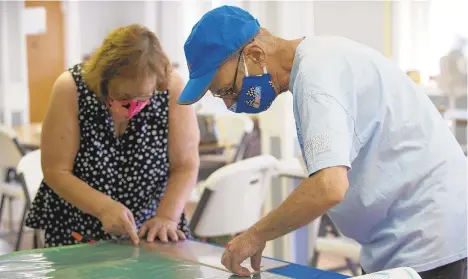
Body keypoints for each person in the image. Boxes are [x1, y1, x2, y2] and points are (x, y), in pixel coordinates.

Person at [177, 5, 467, 279]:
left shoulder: (317, 78)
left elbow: (328, 187)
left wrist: (255, 234)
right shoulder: (320, 60)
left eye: (227, 89)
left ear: (254, 55)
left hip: (428, 239)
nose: (230, 103)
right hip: (405, 239)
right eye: (221, 97)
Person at [26, 24, 200, 247]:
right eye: (124, 96)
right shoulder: (70, 89)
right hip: (76, 229)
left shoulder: (172, 88)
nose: (133, 107)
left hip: (153, 232)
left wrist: (166, 217)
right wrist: (103, 207)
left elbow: (185, 165)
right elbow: (56, 170)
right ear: (104, 79)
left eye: (144, 98)